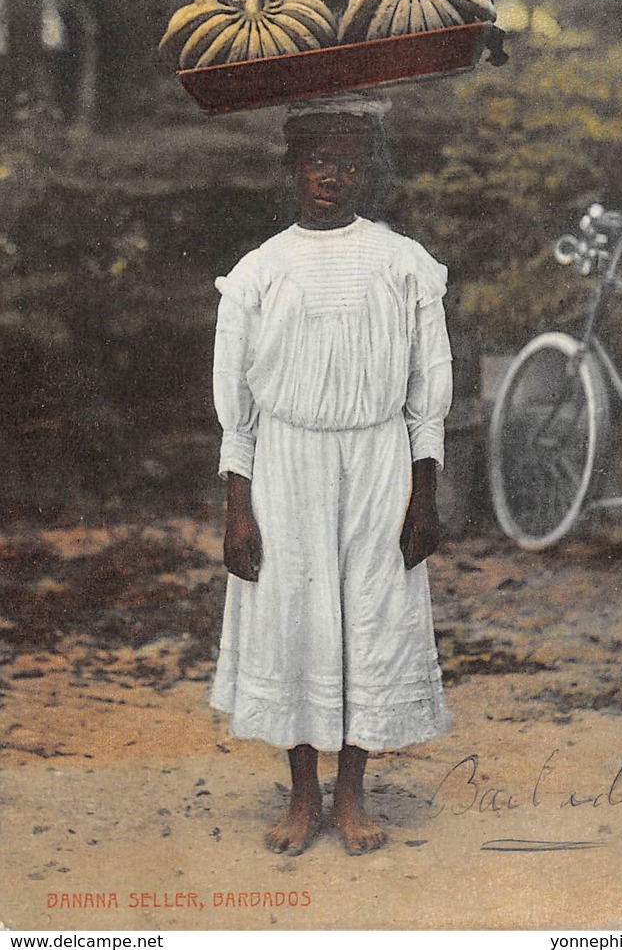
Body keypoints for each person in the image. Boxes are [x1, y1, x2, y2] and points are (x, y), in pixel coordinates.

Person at [209, 94, 453, 856]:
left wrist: (424, 493)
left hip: (377, 461)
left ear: (365, 171)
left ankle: (352, 794)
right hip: (288, 463)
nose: (332, 178)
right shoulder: (259, 273)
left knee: (370, 617)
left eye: (348, 163)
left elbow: (427, 392)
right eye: (318, 162)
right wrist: (237, 508)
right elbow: (238, 411)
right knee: (294, 618)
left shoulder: (403, 263)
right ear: (292, 167)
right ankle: (302, 793)